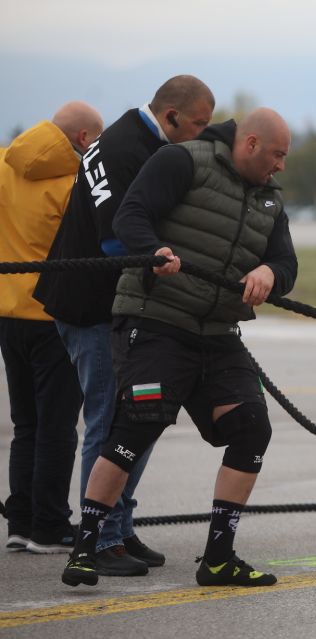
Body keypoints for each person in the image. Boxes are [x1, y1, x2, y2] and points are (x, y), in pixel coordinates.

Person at [60, 107, 297, 588]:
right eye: (277, 155)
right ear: (250, 144)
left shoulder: (271, 200)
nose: (281, 166)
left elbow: (285, 262)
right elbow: (130, 215)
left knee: (252, 428)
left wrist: (270, 273)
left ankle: (217, 558)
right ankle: (86, 549)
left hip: (217, 334)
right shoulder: (182, 161)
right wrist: (154, 250)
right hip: (156, 322)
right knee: (135, 425)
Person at [34, 75, 215, 576]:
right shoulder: (121, 149)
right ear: (172, 116)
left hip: (113, 306)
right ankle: (101, 537)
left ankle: (120, 525)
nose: (200, 136)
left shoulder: (135, 140)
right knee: (110, 423)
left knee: (138, 420)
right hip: (89, 306)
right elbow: (117, 240)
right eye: (197, 124)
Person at [1, 102, 103, 553]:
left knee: (26, 424)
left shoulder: (5, 164)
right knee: (58, 426)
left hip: (7, 312)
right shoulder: (76, 182)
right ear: (83, 138)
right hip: (52, 316)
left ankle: (19, 523)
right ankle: (50, 525)